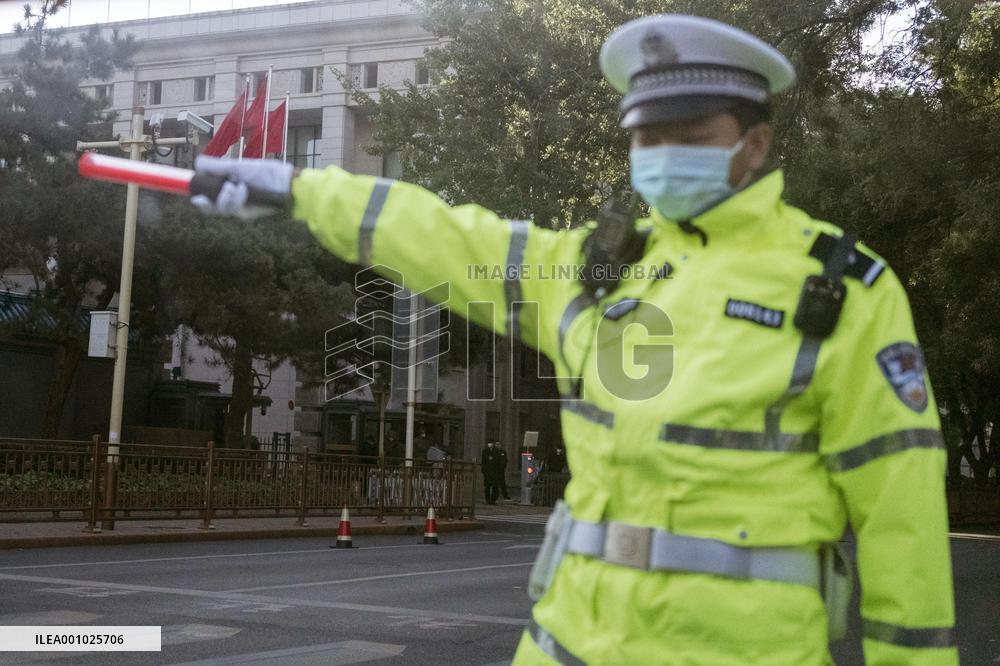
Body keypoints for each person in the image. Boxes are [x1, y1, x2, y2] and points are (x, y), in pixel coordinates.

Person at [190, 14, 956, 664]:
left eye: (691, 134)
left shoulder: (840, 287)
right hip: (570, 645)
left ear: (754, 145)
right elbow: (445, 236)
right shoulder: (596, 267)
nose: (663, 153)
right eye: (646, 136)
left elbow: (902, 519)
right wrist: (297, 189)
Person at [481, 440, 502, 504]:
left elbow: (499, 462)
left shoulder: (496, 452)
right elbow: (483, 462)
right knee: (487, 486)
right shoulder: (485, 451)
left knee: (495, 486)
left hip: (495, 472)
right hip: (487, 472)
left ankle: (493, 500)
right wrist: (484, 471)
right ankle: (488, 500)